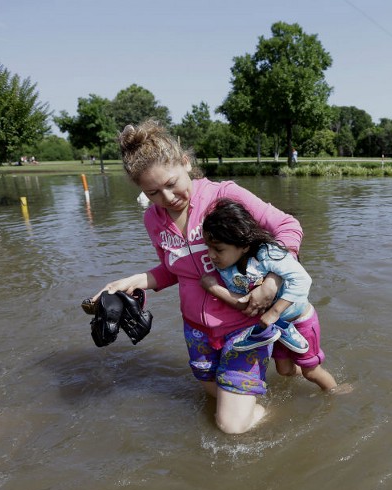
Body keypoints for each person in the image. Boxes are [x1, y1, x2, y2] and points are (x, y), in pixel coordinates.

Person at [92, 119, 304, 435]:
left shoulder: (225, 196)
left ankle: (277, 407)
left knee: (231, 426)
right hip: (198, 333)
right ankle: (253, 395)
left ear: (186, 162)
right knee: (213, 396)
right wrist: (135, 281)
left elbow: (289, 228)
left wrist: (272, 280)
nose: (167, 197)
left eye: (171, 183)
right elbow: (174, 270)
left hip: (244, 326)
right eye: (153, 192)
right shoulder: (153, 219)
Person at [200, 198, 338, 393]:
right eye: (208, 247)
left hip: (299, 319)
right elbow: (244, 303)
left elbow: (303, 280)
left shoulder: (267, 254)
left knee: (311, 372)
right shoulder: (226, 268)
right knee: (284, 370)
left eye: (218, 249)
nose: (211, 255)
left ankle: (336, 392)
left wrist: (275, 310)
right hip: (276, 327)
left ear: (244, 245)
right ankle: (305, 368)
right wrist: (214, 288)